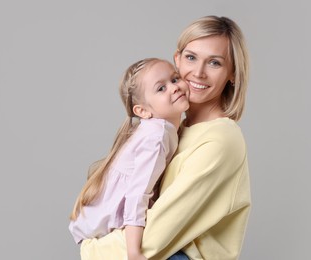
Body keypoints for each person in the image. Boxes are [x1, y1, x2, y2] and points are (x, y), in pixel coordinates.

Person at [79, 15, 251, 260]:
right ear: (177, 60)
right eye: (191, 58)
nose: (198, 73)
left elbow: (158, 233)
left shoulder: (220, 140)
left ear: (232, 73)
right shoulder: (173, 130)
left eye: (214, 63)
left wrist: (91, 249)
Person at [69, 58, 190, 260]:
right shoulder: (156, 136)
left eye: (175, 79)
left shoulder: (163, 129)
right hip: (103, 232)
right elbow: (138, 193)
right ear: (143, 111)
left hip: (107, 227)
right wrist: (133, 251)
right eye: (161, 88)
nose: (174, 88)